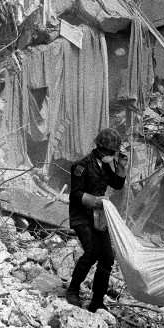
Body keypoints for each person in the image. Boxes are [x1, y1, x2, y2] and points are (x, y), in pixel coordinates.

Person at [66, 128, 128, 312]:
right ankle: (73, 290)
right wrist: (94, 201)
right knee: (91, 252)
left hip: (98, 218)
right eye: (110, 152)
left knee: (107, 258)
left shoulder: (105, 165)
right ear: (100, 148)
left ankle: (97, 301)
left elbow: (116, 185)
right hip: (81, 216)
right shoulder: (82, 166)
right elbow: (75, 195)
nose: (111, 155)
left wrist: (122, 165)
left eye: (113, 153)